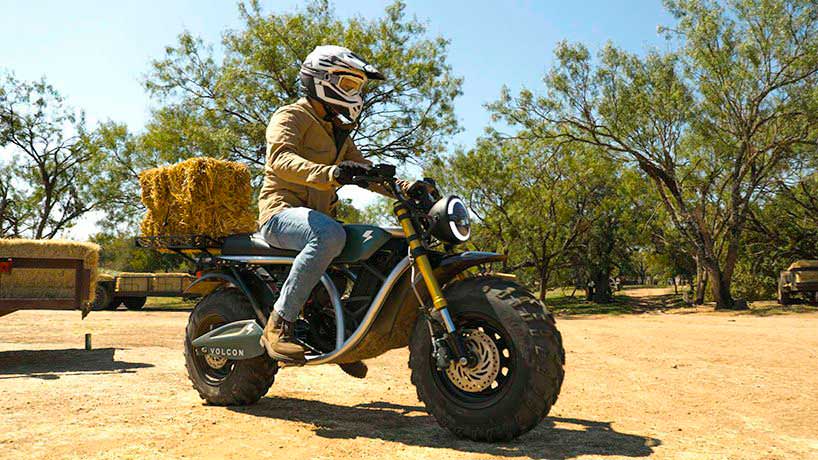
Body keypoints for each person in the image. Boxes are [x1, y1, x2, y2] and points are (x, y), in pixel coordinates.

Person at [257, 45, 422, 376]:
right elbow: (280, 159)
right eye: (348, 84)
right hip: (280, 214)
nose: (355, 93)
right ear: (321, 80)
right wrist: (330, 173)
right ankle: (279, 324)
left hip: (317, 221)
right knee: (330, 235)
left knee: (376, 243)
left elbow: (366, 172)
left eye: (357, 86)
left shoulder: (338, 132)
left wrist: (407, 188)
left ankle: (338, 332)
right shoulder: (290, 116)